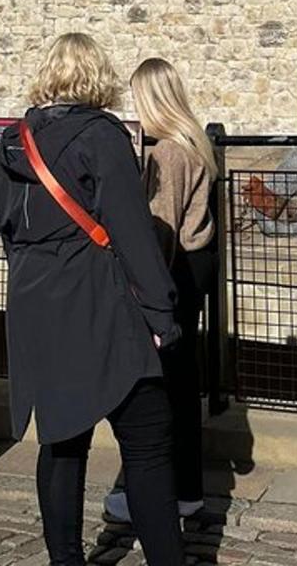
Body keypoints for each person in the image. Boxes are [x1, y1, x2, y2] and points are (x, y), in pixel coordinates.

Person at [0, 34, 184, 565]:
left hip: (35, 299)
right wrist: (160, 312)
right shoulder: (101, 136)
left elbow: (8, 230)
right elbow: (129, 229)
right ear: (97, 76)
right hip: (97, 298)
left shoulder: (12, 139)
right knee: (147, 439)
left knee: (61, 439)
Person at [104, 57, 216, 523]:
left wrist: (150, 299)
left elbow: (163, 227)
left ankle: (156, 491)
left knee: (161, 390)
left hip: (175, 272)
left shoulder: (168, 152)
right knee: (184, 386)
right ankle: (187, 487)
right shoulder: (197, 142)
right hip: (196, 265)